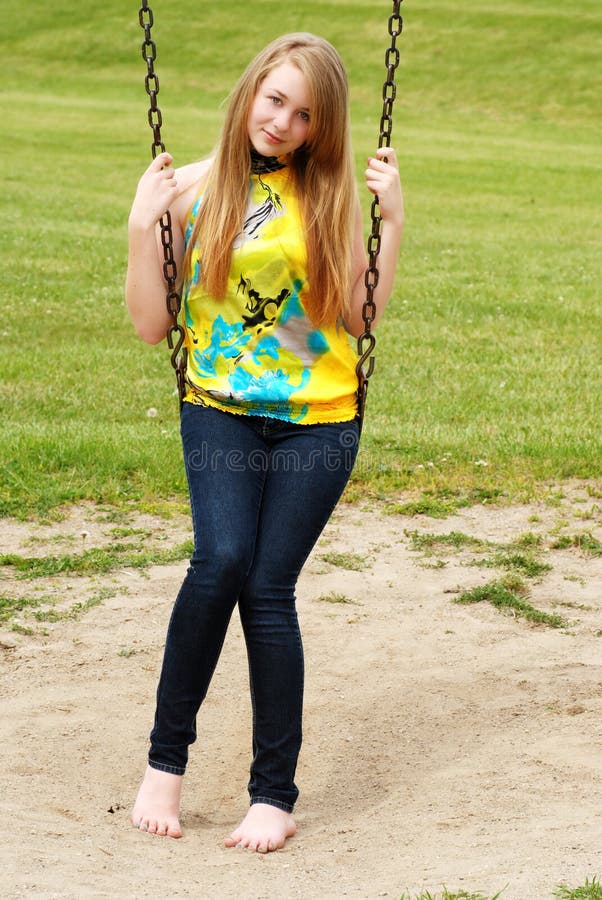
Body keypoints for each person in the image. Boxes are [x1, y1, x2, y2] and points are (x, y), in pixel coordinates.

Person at [125, 32, 403, 853]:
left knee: (268, 588)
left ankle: (272, 796)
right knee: (219, 563)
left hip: (319, 415)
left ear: (322, 128)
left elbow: (359, 320)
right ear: (251, 91)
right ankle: (163, 766)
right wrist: (145, 223)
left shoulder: (329, 193)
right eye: (274, 98)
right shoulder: (191, 189)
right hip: (221, 406)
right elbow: (151, 324)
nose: (282, 121)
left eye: (304, 113)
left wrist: (393, 218)